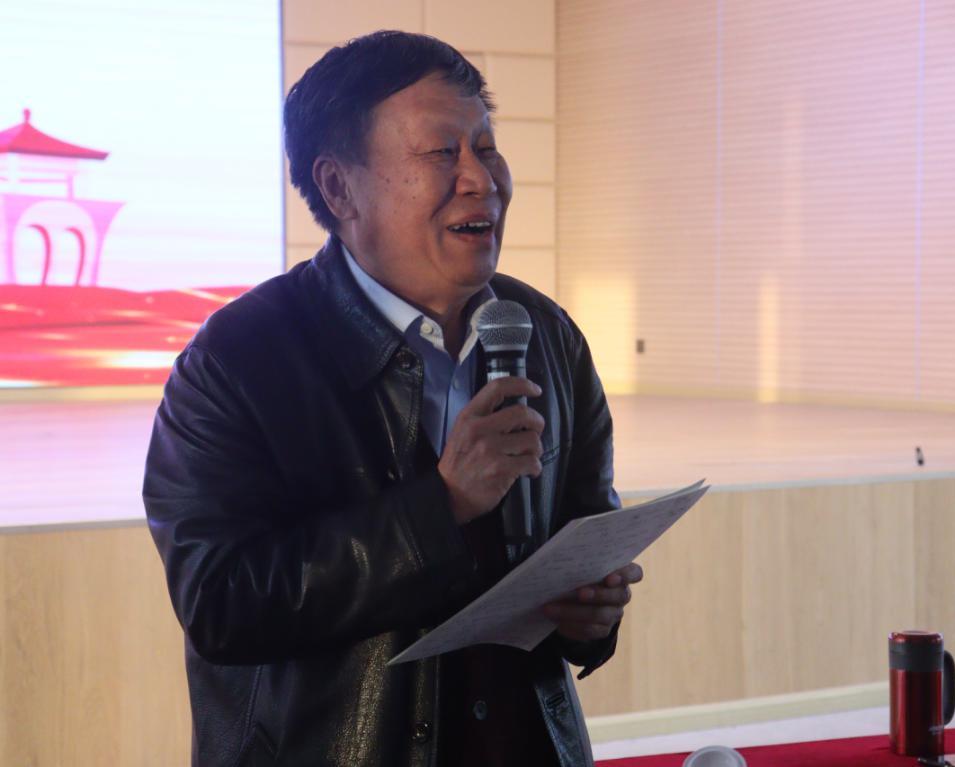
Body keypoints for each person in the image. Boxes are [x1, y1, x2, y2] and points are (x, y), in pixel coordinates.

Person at [143, 30, 641, 767]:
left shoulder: (546, 334)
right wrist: (442, 506)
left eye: (486, 147)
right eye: (442, 153)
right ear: (339, 189)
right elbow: (221, 603)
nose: (481, 179)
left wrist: (590, 615)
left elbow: (585, 535)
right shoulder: (237, 360)